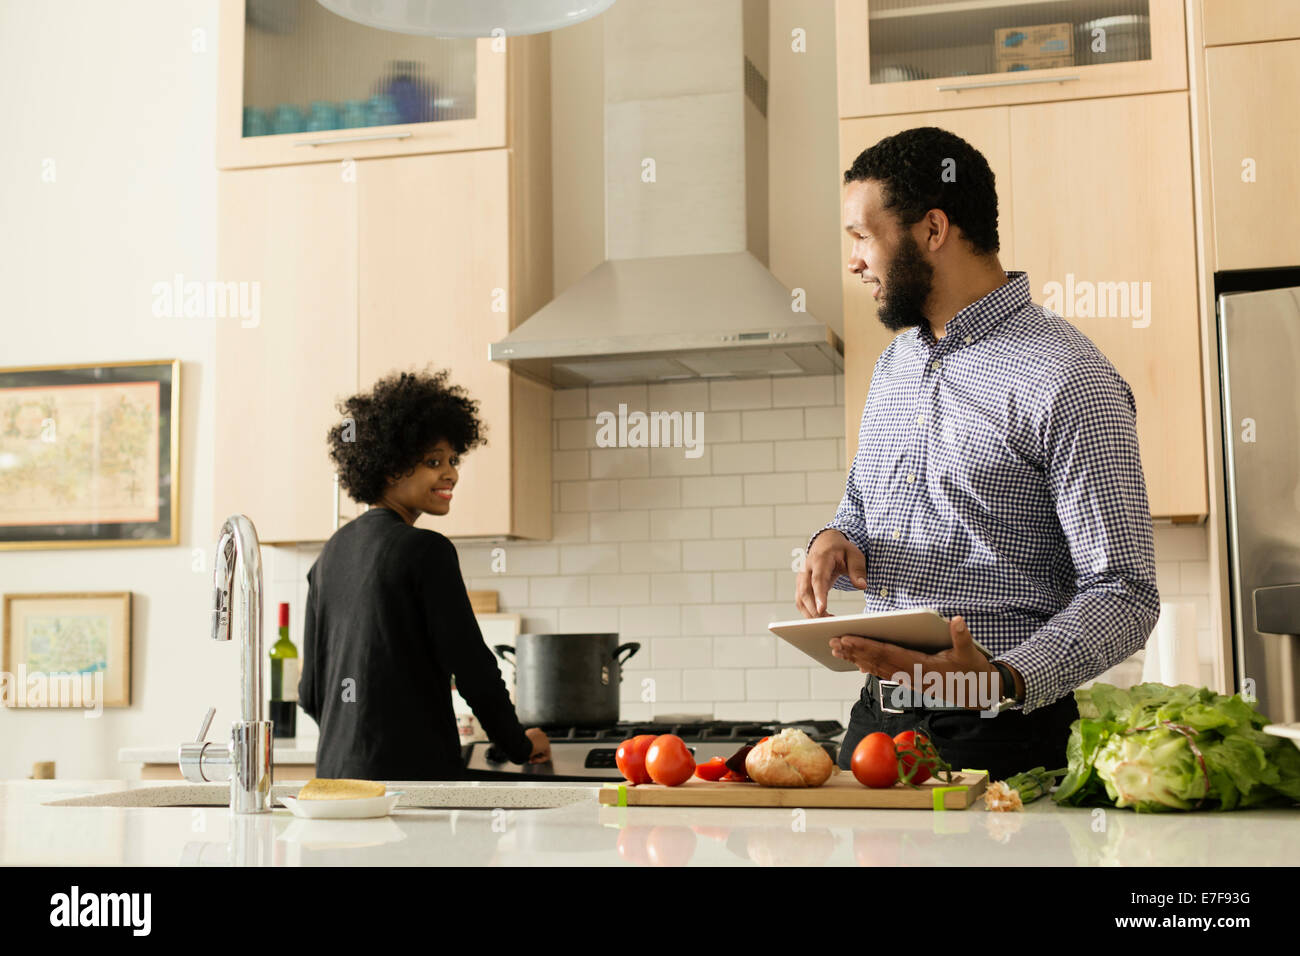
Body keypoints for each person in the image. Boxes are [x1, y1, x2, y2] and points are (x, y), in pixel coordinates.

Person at [797, 127, 1160, 780]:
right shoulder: (894, 366)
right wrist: (837, 535)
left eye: (861, 235)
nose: (853, 261)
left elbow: (1125, 593)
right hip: (876, 722)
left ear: (933, 229)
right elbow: (862, 500)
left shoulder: (1068, 376)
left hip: (1004, 732)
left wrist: (1000, 679)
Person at [299, 368, 550, 779]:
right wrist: (518, 744)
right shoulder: (425, 550)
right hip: (412, 786)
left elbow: (310, 694)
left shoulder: (330, 555)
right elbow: (473, 669)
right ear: (388, 467)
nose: (450, 473)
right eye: (433, 461)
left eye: (453, 460)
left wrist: (357, 739)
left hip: (334, 780)